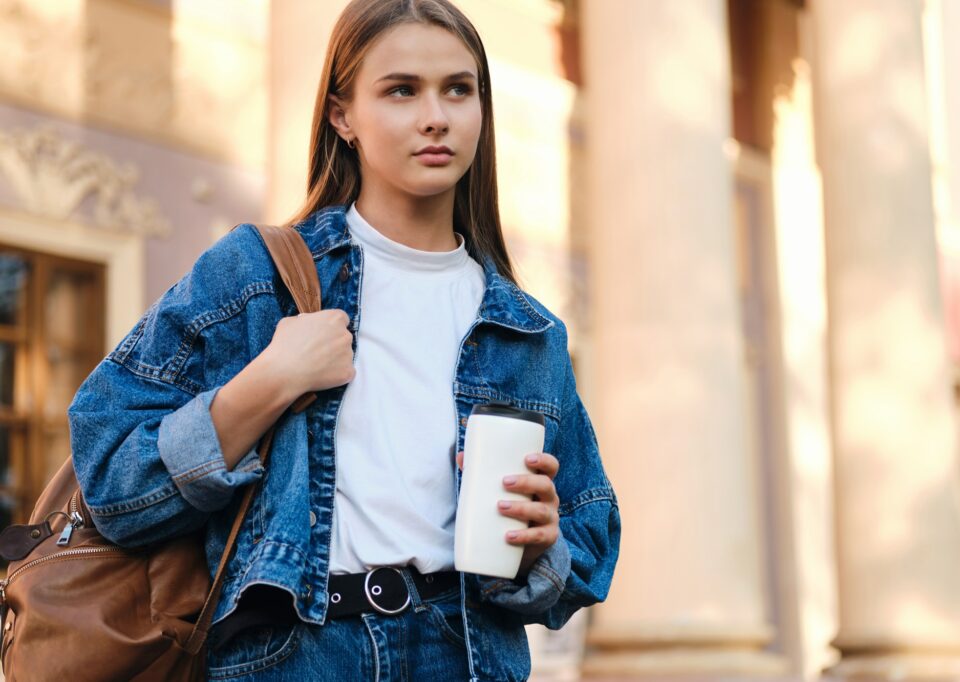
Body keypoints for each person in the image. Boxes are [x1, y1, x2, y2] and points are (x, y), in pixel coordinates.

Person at [67, 0, 620, 679]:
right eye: (400, 90)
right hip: (296, 654)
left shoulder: (528, 331)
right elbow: (112, 483)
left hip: (465, 654)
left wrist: (540, 546)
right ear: (342, 116)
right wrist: (268, 383)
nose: (435, 116)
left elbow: (589, 546)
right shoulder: (255, 277)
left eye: (459, 88)